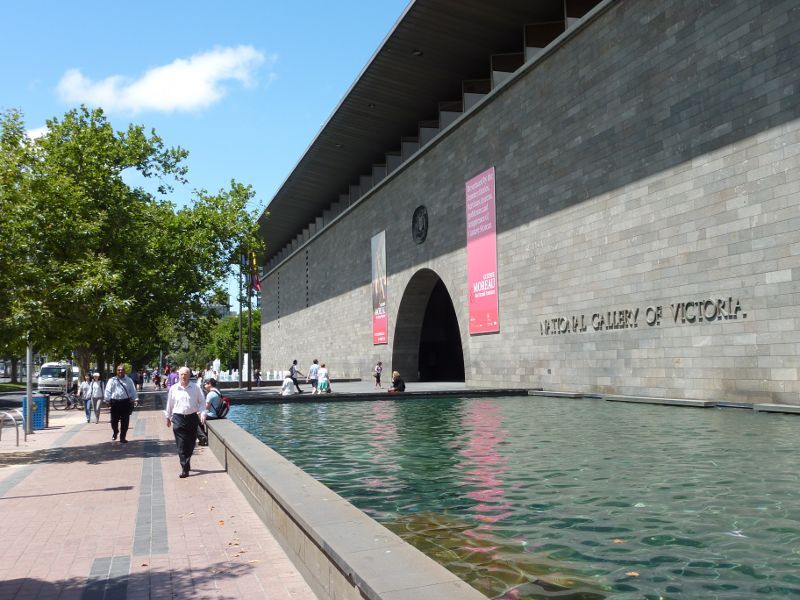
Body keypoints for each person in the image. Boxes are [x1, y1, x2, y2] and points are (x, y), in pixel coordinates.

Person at [164, 366, 206, 478]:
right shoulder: (174, 388)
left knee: (191, 444)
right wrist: (167, 416)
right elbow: (169, 403)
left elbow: (202, 402)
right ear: (178, 375)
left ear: (189, 375)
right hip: (178, 418)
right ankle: (185, 468)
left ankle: (187, 461)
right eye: (182, 374)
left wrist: (203, 413)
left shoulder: (196, 388)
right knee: (181, 445)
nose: (183, 376)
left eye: (186, 374)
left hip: (192, 417)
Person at [104, 364, 138, 442]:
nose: (120, 371)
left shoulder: (129, 380)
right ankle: (115, 431)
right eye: (119, 370)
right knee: (113, 421)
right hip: (115, 402)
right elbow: (108, 390)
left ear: (124, 371)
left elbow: (133, 390)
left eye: (122, 370)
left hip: (125, 402)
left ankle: (122, 437)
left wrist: (135, 399)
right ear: (116, 371)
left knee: (125, 421)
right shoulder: (112, 380)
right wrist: (107, 400)